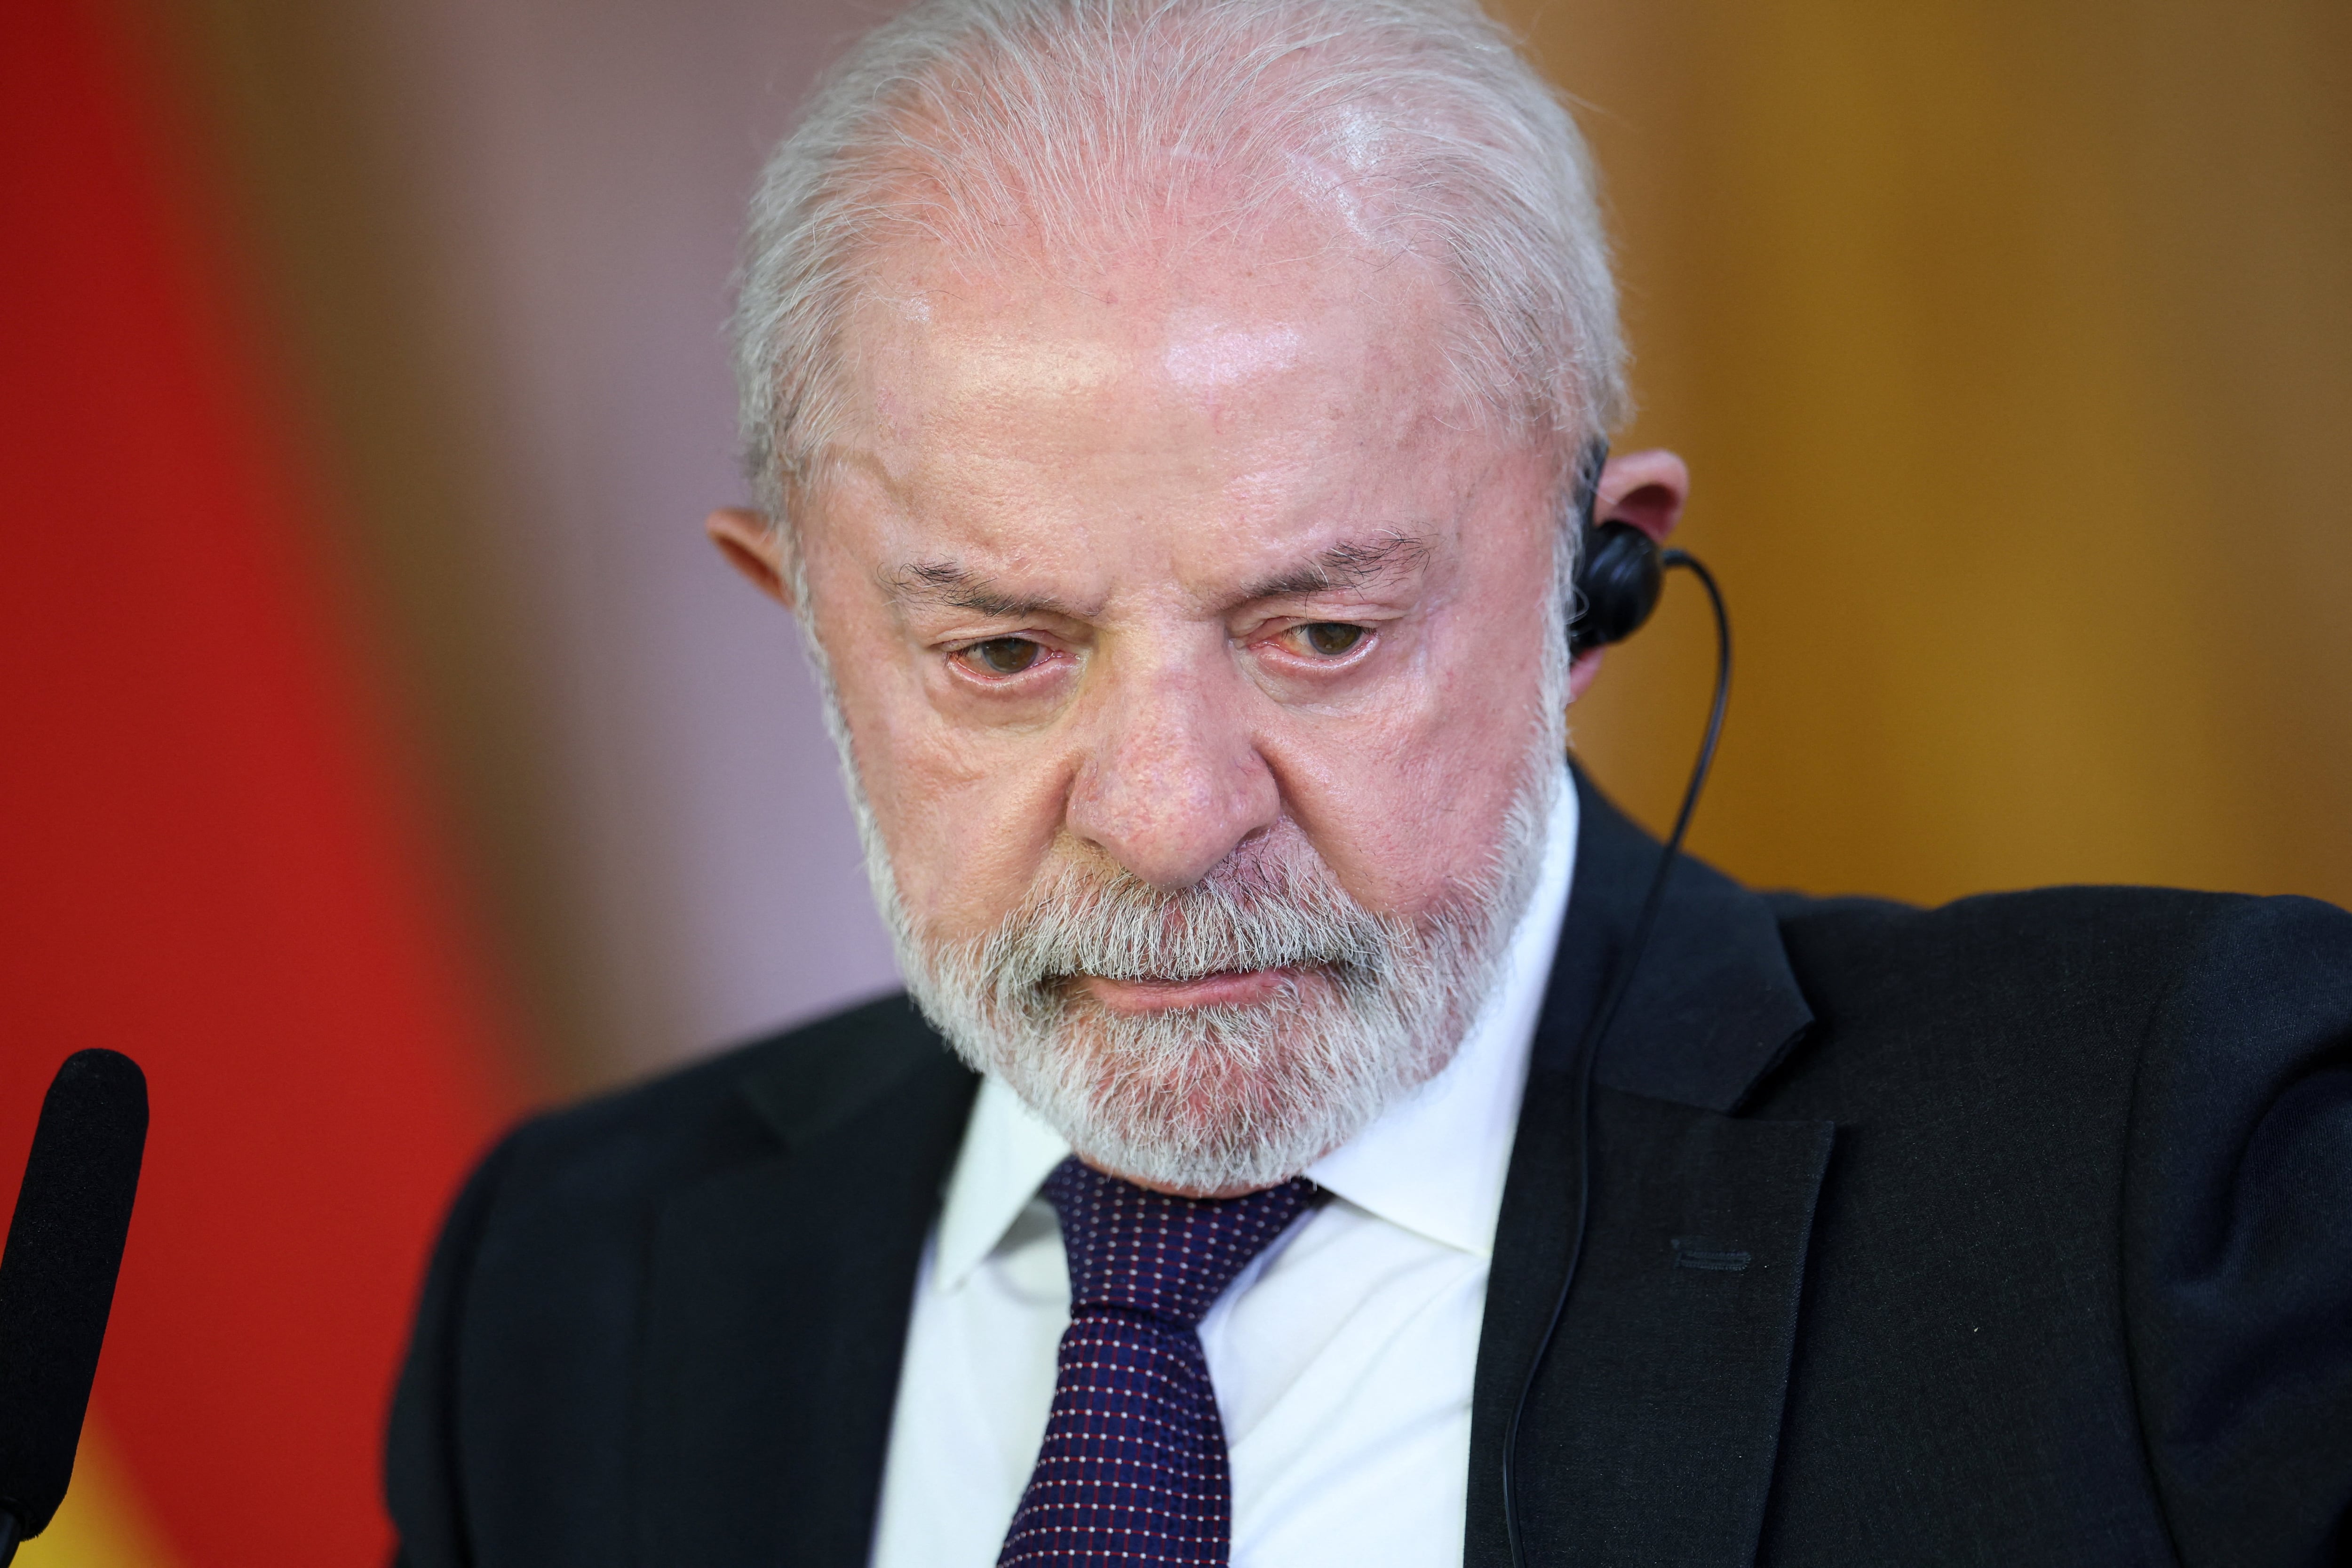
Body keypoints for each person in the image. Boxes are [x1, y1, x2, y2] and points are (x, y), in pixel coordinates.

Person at [384, 1, 2352, 1563]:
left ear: (1596, 583)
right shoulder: (572, 1282)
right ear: (801, 613)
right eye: (999, 653)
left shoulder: (2170, 1176)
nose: (1165, 818)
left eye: (1320, 633)